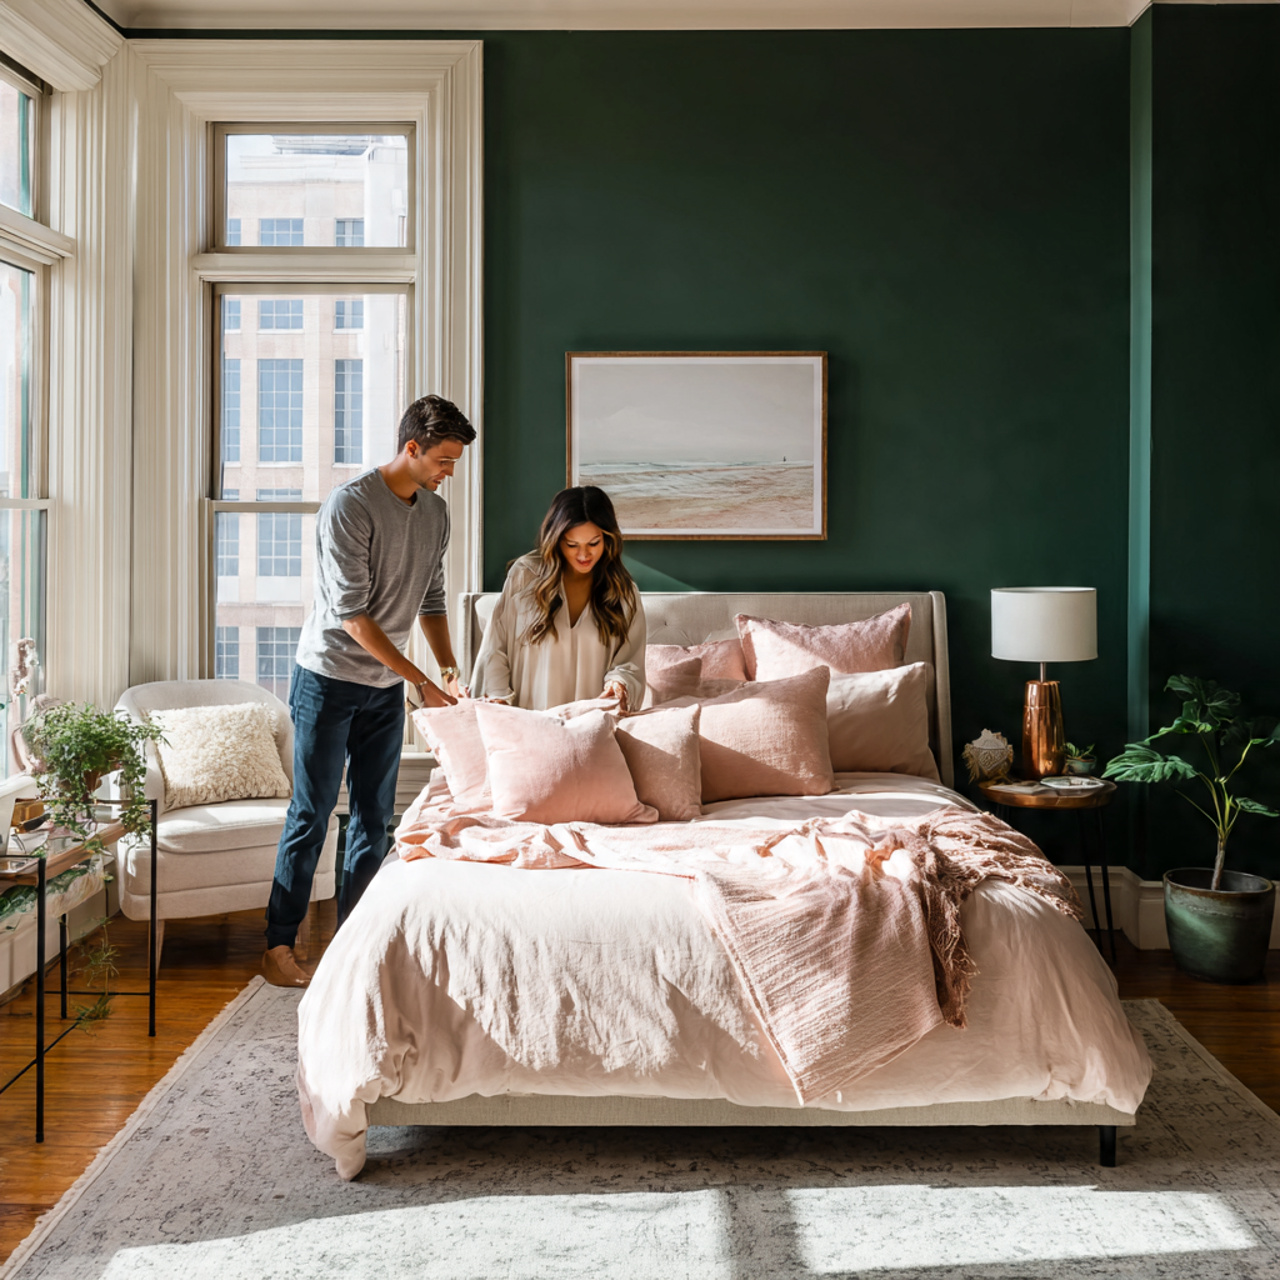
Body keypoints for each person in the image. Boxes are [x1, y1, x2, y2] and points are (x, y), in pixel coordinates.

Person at [262, 394, 476, 988]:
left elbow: (431, 599)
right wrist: (422, 682)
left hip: (384, 688)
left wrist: (450, 667)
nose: (448, 472)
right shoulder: (349, 506)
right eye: (443, 460)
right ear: (411, 447)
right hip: (328, 681)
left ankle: (354, 944)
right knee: (312, 813)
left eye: (454, 462)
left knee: (375, 819)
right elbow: (353, 616)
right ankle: (279, 944)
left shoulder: (435, 514)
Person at [470, 486, 646, 711]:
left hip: (590, 727)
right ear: (556, 539)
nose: (583, 555)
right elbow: (496, 647)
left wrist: (619, 684)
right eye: (572, 545)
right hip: (528, 724)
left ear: (608, 539)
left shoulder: (623, 593)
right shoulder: (526, 575)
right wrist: (498, 700)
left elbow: (630, 662)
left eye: (594, 543)